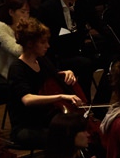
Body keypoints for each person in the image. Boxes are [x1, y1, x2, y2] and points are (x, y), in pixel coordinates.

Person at [6, 17, 82, 148]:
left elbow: (51, 76)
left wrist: (66, 72)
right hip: (26, 127)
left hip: (45, 119)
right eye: (42, 42)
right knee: (65, 137)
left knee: (76, 130)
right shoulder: (17, 68)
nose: (48, 46)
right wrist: (61, 96)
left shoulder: (41, 60)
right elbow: (27, 99)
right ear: (30, 43)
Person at [35, 0, 102, 90]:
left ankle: (96, 102)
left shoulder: (83, 2)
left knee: (109, 59)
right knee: (85, 65)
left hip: (79, 50)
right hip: (58, 56)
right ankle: (82, 100)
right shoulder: (47, 8)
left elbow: (99, 25)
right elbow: (43, 38)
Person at [0, 0, 29, 100]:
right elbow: (17, 50)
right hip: (6, 75)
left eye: (28, 13)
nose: (26, 16)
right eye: (22, 12)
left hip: (22, 71)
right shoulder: (1, 27)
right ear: (11, 12)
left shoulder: (23, 29)